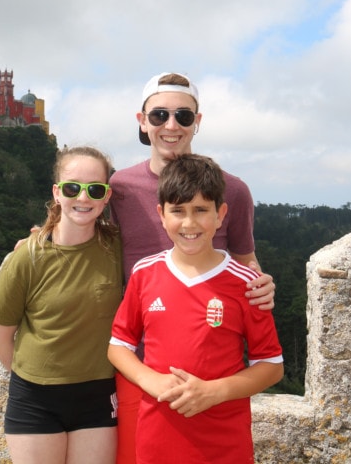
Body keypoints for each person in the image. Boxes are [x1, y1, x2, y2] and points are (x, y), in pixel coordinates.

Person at [108, 72, 275, 463]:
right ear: (142, 120)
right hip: (143, 361)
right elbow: (88, 234)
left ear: (197, 122)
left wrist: (262, 285)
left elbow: (245, 259)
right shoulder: (121, 186)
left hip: (212, 363)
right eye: (160, 115)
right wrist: (41, 239)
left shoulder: (231, 190)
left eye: (183, 117)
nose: (171, 125)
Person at [0, 146, 122, 464]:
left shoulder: (117, 248)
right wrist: (38, 379)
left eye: (95, 189)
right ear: (57, 193)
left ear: (107, 196)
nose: (83, 198)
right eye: (73, 188)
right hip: (35, 399)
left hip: (98, 395)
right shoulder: (27, 257)